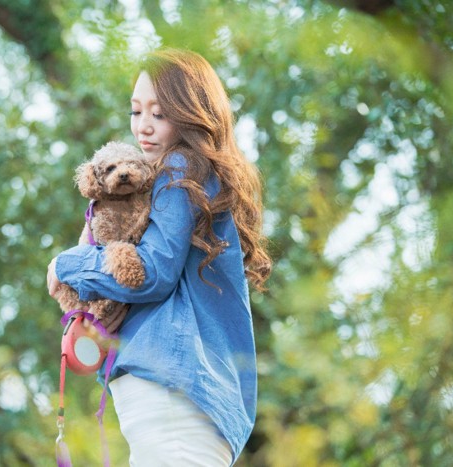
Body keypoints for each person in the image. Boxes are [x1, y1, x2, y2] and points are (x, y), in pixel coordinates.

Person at [47, 47, 271, 466]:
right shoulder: (189, 178)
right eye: (136, 112)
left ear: (190, 115)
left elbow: (150, 272)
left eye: (160, 114)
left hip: (174, 396)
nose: (143, 128)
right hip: (182, 399)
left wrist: (65, 265)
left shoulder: (179, 168)